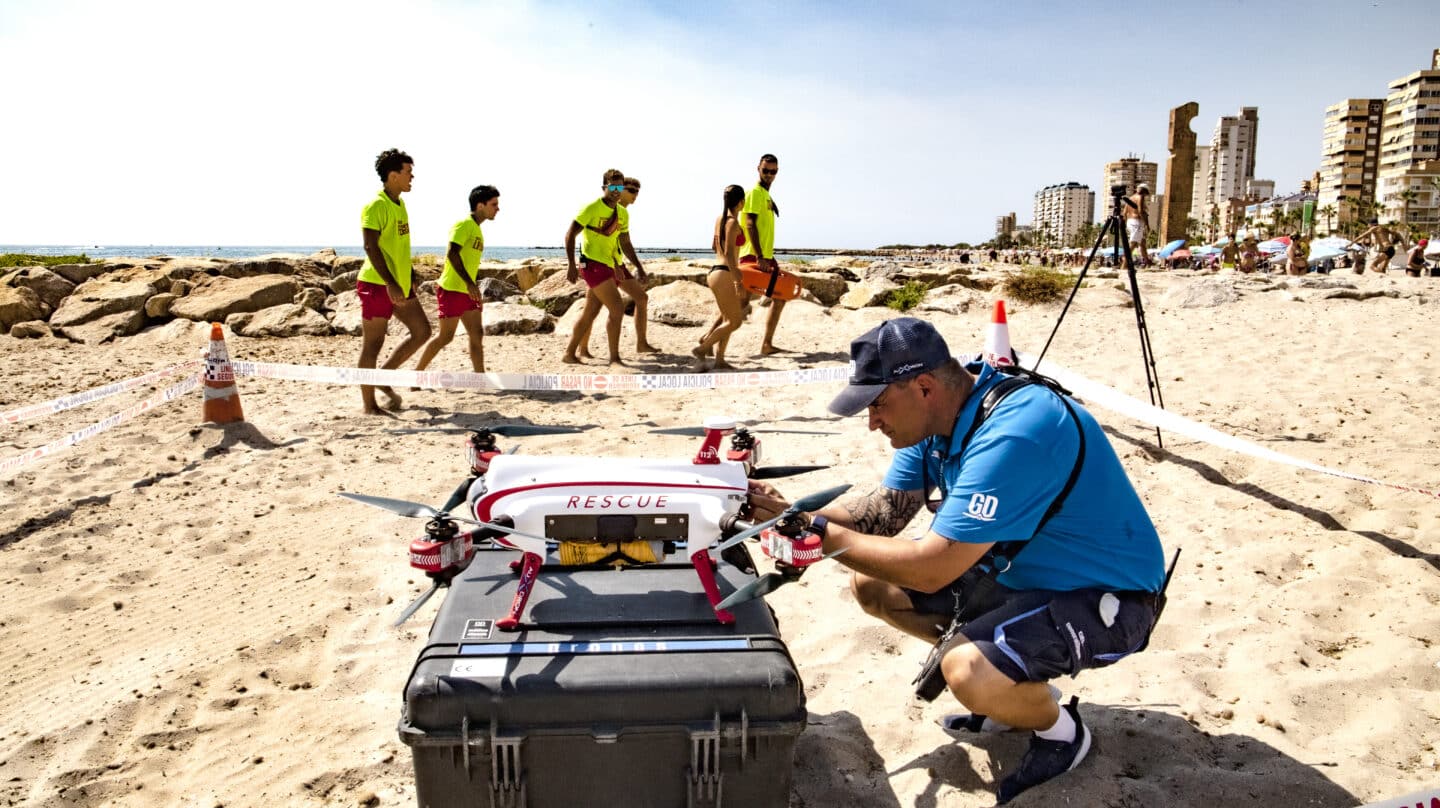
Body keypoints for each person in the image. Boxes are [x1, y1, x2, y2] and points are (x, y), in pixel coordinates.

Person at [748, 317, 1166, 803]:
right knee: (872, 586)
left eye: (877, 404)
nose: (872, 421)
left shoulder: (1015, 431)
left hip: (1112, 596)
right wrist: (793, 514)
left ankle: (1060, 731)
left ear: (923, 386)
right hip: (1023, 576)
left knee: (969, 672)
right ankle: (1014, 688)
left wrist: (818, 537)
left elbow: (932, 566)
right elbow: (887, 510)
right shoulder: (941, 411)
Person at [356, 148, 431, 415]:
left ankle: (385, 376)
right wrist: (390, 282)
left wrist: (408, 276)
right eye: (408, 172)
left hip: (398, 284)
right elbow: (370, 246)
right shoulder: (376, 204)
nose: (412, 176)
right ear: (393, 175)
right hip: (377, 284)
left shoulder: (400, 204)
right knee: (372, 345)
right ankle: (369, 406)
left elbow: (399, 246)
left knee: (422, 331)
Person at [413, 185, 500, 375]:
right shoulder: (463, 225)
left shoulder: (477, 229)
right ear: (480, 205)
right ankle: (417, 374)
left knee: (477, 334)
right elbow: (452, 254)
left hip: (469, 291)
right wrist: (470, 283)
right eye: (494, 204)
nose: (498, 208)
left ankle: (480, 377)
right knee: (445, 337)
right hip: (452, 289)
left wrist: (472, 285)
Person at [572, 177, 656, 359]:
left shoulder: (623, 213)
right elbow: (595, 240)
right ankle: (585, 350)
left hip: (615, 263)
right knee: (596, 309)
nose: (635, 195)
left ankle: (641, 343)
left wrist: (637, 266)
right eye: (631, 190)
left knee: (640, 298)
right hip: (602, 264)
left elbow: (624, 242)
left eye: (637, 191)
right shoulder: (601, 209)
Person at [563, 169, 631, 366]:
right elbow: (570, 235)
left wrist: (622, 265)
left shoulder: (622, 213)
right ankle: (615, 358)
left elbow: (623, 242)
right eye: (613, 186)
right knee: (617, 308)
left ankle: (569, 354)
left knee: (590, 312)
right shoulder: (591, 208)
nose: (617, 191)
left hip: (609, 265)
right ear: (605, 187)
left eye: (620, 187)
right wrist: (570, 264)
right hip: (591, 263)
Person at [693, 184, 750, 369]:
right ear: (742, 202)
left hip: (715, 271)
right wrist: (738, 281)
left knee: (727, 319)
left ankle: (720, 359)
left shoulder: (720, 219)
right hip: (725, 272)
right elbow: (728, 253)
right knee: (735, 321)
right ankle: (703, 348)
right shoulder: (733, 222)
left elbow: (714, 246)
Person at [742, 154, 788, 355]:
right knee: (739, 305)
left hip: (764, 257)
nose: (769, 174)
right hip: (753, 257)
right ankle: (707, 341)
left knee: (779, 297)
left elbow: (765, 229)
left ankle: (767, 345)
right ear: (758, 169)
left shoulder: (766, 195)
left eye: (773, 171)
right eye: (765, 170)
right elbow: (750, 223)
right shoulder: (754, 192)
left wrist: (769, 255)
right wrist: (760, 256)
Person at [1125, 184, 1152, 267]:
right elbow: (1140, 211)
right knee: (1133, 243)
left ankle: (1148, 262)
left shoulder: (1131, 198)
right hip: (1137, 221)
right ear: (1144, 192)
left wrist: (1125, 222)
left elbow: (1125, 212)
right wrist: (1147, 224)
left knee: (1142, 243)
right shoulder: (1140, 197)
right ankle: (1124, 264)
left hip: (1130, 221)